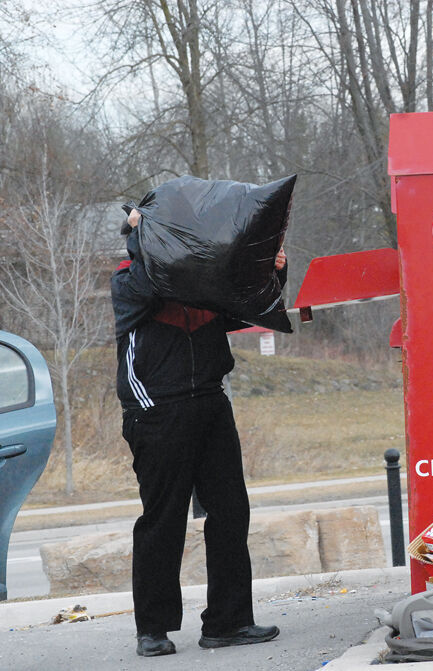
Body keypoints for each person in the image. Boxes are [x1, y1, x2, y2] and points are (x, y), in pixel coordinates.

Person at [111, 207, 284, 657]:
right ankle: (153, 628)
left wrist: (271, 270)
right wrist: (138, 230)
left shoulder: (201, 281)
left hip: (210, 403)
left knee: (230, 512)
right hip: (155, 411)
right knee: (162, 520)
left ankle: (227, 623)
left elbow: (245, 306)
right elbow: (152, 285)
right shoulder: (129, 280)